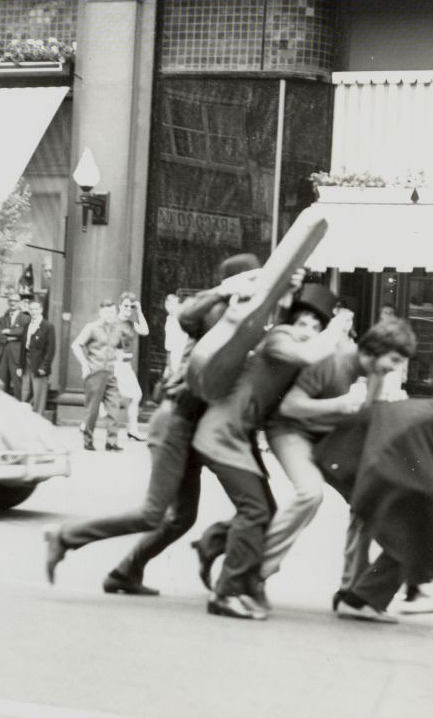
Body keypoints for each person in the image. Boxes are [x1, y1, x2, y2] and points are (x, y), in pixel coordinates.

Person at [43, 254, 267, 594]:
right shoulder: (216, 312)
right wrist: (224, 290)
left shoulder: (245, 319)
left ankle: (125, 573)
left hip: (193, 427)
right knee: (153, 513)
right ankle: (65, 536)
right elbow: (185, 314)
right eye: (254, 279)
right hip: (175, 420)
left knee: (181, 518)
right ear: (240, 282)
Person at [192, 315, 413, 602]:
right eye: (393, 360)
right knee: (310, 494)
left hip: (329, 438)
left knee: (366, 496)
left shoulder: (375, 376)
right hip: (290, 431)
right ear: (374, 349)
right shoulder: (332, 360)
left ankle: (352, 592)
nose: (395, 368)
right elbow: (290, 407)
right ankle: (255, 572)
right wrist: (338, 404)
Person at [192, 288, 354, 620]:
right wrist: (335, 328)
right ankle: (227, 592)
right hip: (221, 435)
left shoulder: (298, 348)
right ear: (290, 322)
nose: (307, 330)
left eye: (314, 326)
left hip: (237, 437)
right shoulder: (281, 338)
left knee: (264, 509)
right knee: (255, 511)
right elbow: (310, 355)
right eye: (303, 322)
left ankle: (213, 543)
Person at [317, 375, 433, 622]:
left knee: (419, 519)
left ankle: (397, 591)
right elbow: (392, 459)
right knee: (411, 526)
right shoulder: (424, 421)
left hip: (373, 455)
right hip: (350, 458)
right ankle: (361, 600)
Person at [71, 300, 125, 451]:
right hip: (95, 371)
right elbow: (76, 345)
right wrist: (84, 364)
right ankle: (88, 440)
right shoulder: (92, 328)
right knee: (92, 409)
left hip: (111, 372)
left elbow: (120, 348)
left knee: (114, 406)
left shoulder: (117, 329)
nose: (110, 315)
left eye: (113, 312)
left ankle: (111, 441)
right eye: (107, 312)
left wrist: (118, 365)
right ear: (101, 312)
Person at [115, 292, 150, 440]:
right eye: (125, 305)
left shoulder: (131, 323)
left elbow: (145, 331)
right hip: (116, 365)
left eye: (131, 306)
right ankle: (133, 430)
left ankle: (133, 430)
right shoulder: (113, 322)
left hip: (126, 366)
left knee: (134, 396)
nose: (128, 308)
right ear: (120, 306)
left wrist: (139, 311)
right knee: (114, 397)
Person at [21, 297, 55, 418]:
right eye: (31, 309)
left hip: (39, 364)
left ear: (41, 310)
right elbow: (23, 347)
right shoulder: (27, 326)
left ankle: (38, 418)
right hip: (27, 362)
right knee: (25, 390)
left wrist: (44, 367)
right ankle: (26, 418)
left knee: (39, 394)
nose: (33, 312)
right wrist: (21, 366)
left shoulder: (47, 326)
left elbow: (50, 349)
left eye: (36, 309)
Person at [0, 294, 30, 398]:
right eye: (11, 301)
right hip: (3, 354)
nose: (13, 303)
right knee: (2, 383)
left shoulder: (25, 318)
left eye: (15, 301)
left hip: (17, 356)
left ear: (20, 303)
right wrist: (8, 338)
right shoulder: (3, 319)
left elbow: (23, 332)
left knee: (18, 383)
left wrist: (9, 331)